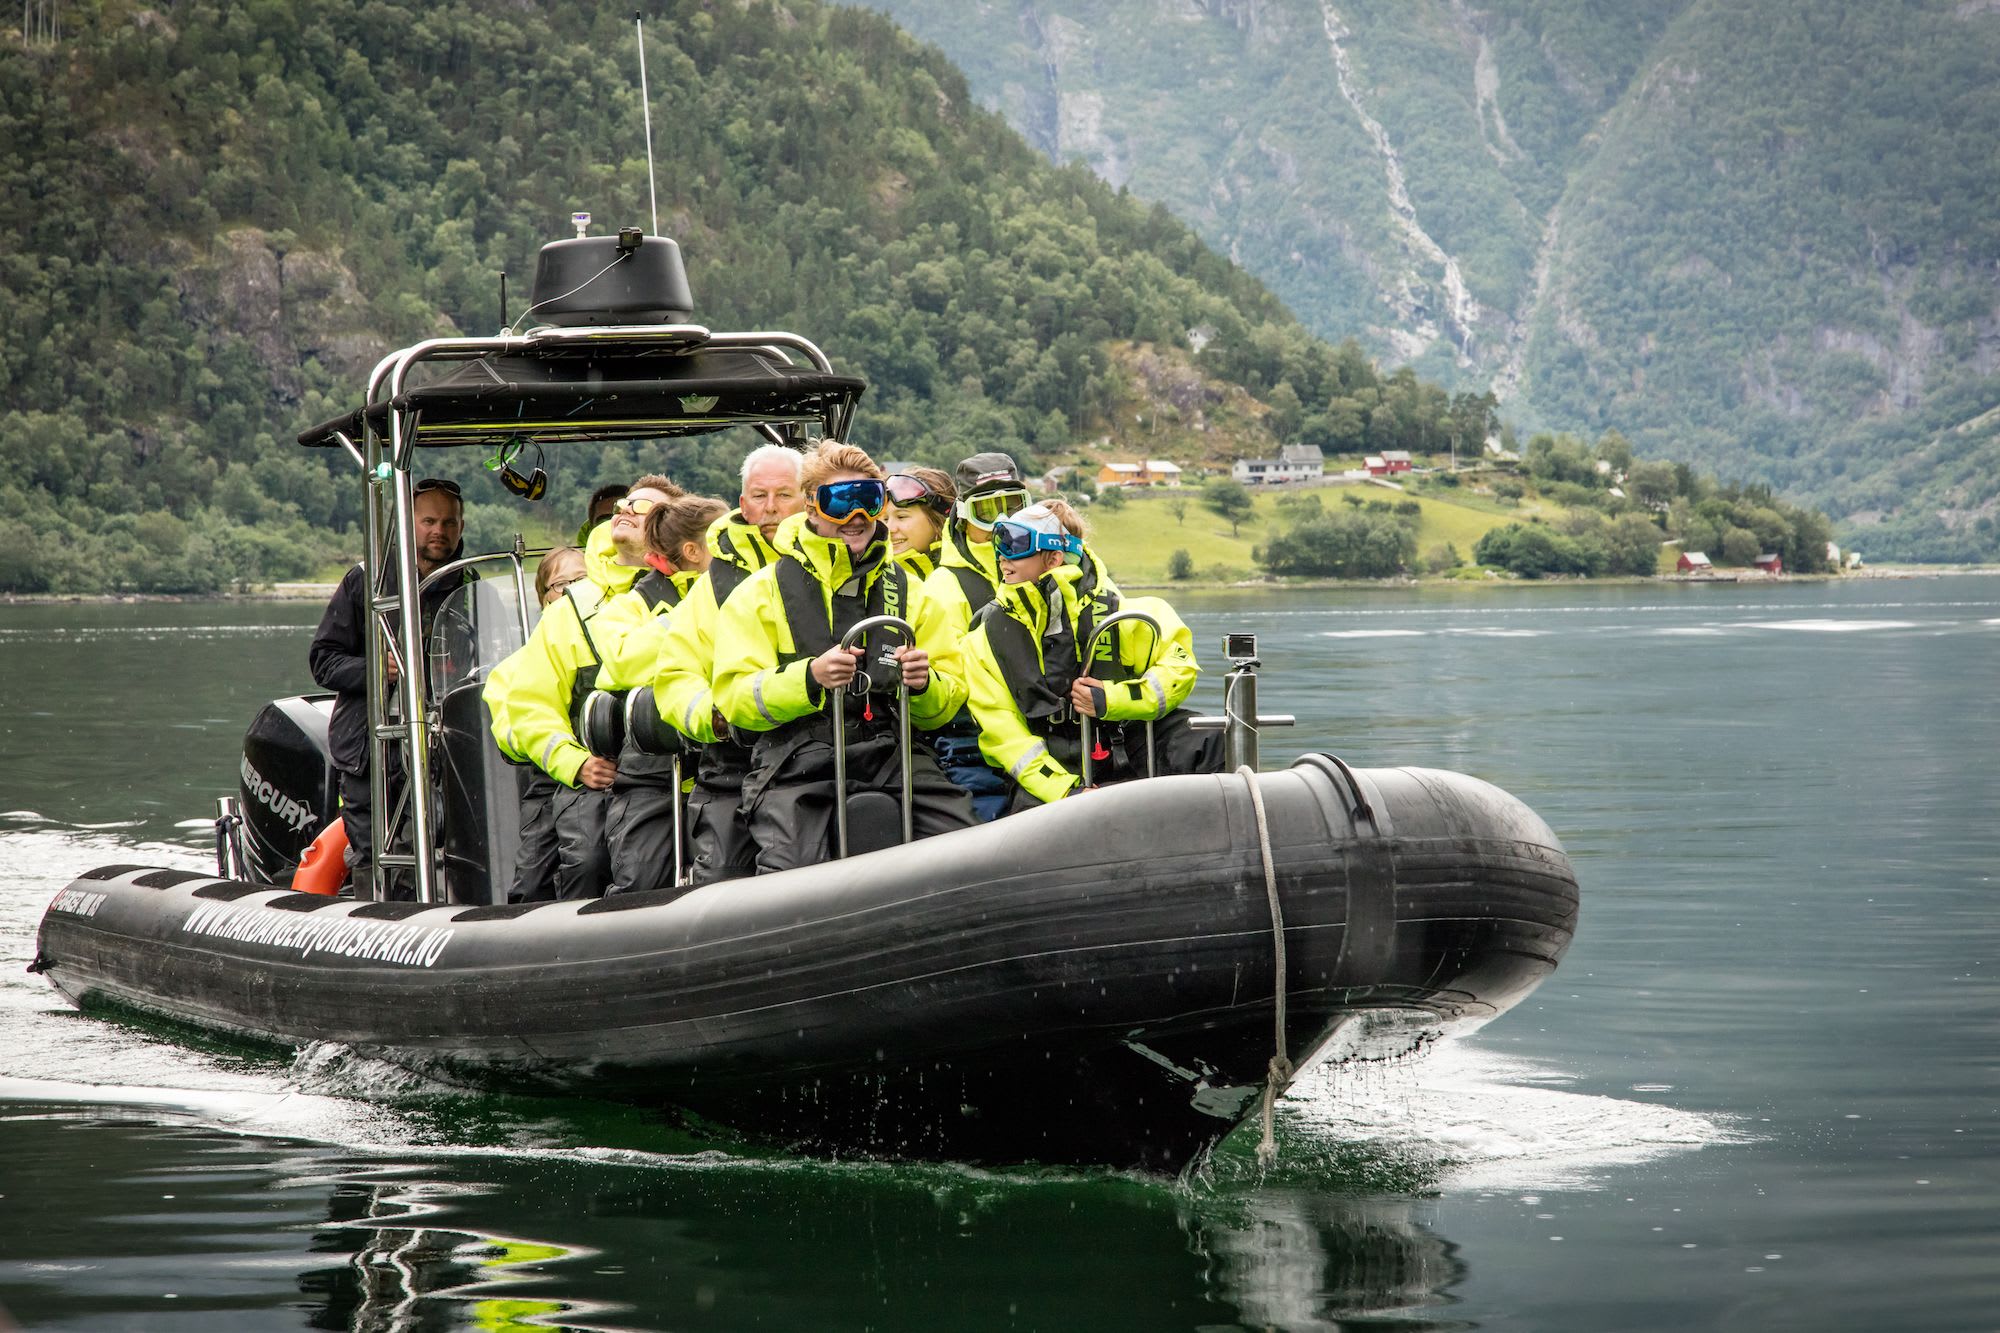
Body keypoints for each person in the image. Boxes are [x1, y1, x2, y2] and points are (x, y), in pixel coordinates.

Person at [710, 441, 975, 873]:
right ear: (812, 507)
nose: (856, 517)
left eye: (869, 500)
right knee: (789, 872)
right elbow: (737, 699)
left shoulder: (913, 592)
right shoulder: (758, 594)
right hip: (795, 761)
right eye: (840, 502)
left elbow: (946, 702)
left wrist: (925, 685)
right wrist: (809, 678)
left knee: (964, 850)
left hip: (893, 752)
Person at [483, 476, 676, 899]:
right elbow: (531, 707)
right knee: (587, 860)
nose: (626, 510)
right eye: (626, 503)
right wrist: (576, 764)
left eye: (643, 509)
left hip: (671, 774)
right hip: (592, 773)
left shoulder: (692, 591)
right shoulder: (571, 608)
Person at [960, 500, 1216, 811]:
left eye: (1016, 544)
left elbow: (1178, 669)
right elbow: (1003, 733)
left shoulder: (1131, 614)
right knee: (1029, 811)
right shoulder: (984, 637)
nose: (1002, 555)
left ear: (1054, 557)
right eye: (1000, 542)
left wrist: (1115, 699)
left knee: (1211, 738)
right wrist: (1065, 791)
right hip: (1051, 765)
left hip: (1130, 742)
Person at [650, 444, 807, 885]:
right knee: (720, 879)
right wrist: (714, 718)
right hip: (731, 764)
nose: (772, 508)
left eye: (785, 494)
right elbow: (676, 677)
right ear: (742, 504)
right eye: (760, 496)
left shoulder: (834, 567)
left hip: (815, 759)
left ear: (808, 498)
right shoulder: (712, 585)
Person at [309, 477, 471, 897]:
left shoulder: (469, 582)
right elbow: (323, 661)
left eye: (449, 522)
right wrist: (379, 670)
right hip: (372, 748)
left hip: (447, 746)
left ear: (462, 527)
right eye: (429, 521)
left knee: (452, 849)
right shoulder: (366, 579)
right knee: (374, 855)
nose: (439, 531)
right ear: (407, 523)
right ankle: (377, 923)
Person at [592, 494, 726, 896]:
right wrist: (690, 619)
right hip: (650, 768)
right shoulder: (628, 606)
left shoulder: (743, 589)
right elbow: (621, 661)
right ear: (693, 550)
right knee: (641, 879)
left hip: (723, 758)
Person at [918, 452, 1032, 820]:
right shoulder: (944, 585)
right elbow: (954, 681)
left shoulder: (1049, 561)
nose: (1002, 522)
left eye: (1012, 508)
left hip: (1042, 728)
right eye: (988, 511)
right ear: (963, 514)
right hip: (973, 744)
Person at [508, 545, 587, 903]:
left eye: (581, 580)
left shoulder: (606, 644)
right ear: (543, 599)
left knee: (587, 862)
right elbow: (510, 734)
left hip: (602, 778)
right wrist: (573, 761)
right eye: (560, 584)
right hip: (547, 780)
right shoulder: (515, 665)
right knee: (531, 879)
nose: (571, 590)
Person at [883, 467, 955, 579]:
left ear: (938, 521)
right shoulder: (871, 577)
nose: (889, 529)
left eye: (901, 516)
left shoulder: (968, 577)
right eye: (885, 519)